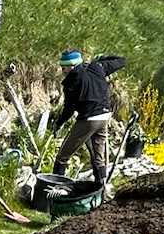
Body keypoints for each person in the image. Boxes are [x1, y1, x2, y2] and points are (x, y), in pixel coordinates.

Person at [51, 49, 127, 190]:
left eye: (64, 67)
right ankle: (101, 188)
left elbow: (69, 109)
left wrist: (59, 123)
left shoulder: (71, 82)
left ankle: (55, 187)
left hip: (89, 119)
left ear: (73, 66)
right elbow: (122, 60)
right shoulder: (97, 67)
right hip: (105, 116)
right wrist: (104, 58)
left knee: (63, 154)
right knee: (98, 155)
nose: (63, 71)